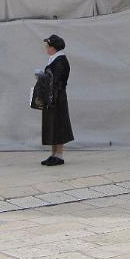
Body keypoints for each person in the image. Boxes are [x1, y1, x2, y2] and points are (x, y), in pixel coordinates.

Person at [41, 34, 73, 166]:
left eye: (47, 46)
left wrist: (44, 78)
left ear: (53, 48)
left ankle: (59, 155)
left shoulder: (60, 60)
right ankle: (53, 154)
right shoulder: (53, 59)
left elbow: (57, 80)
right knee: (52, 125)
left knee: (58, 124)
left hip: (57, 96)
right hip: (51, 96)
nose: (46, 48)